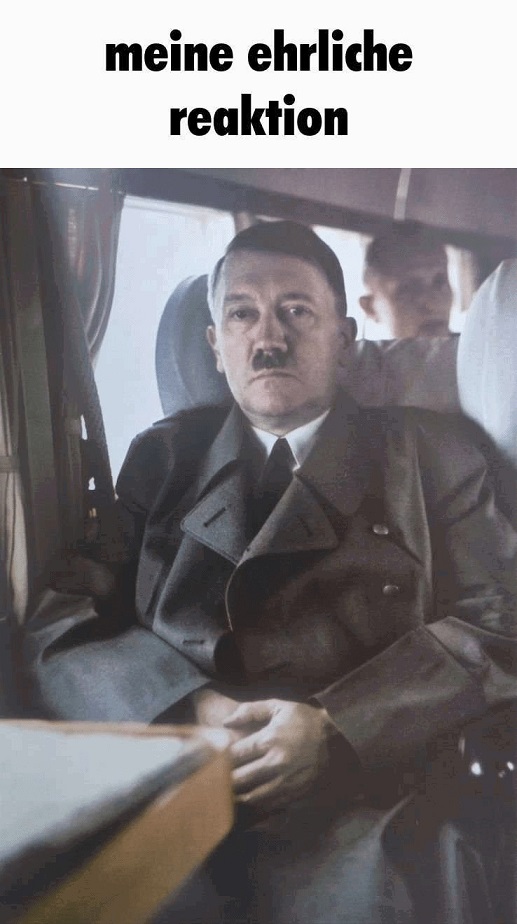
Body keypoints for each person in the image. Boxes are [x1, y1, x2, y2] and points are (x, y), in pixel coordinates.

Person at [24, 221, 517, 924]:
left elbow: (499, 621)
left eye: (296, 311)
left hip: (372, 798)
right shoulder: (162, 461)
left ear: (344, 339)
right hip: (181, 781)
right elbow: (62, 617)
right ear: (214, 344)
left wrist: (338, 727)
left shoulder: (433, 456)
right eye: (242, 314)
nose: (268, 339)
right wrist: (188, 710)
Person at [359, 221, 454, 338]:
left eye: (440, 283)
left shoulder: (474, 346)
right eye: (409, 289)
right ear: (370, 307)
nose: (432, 304)